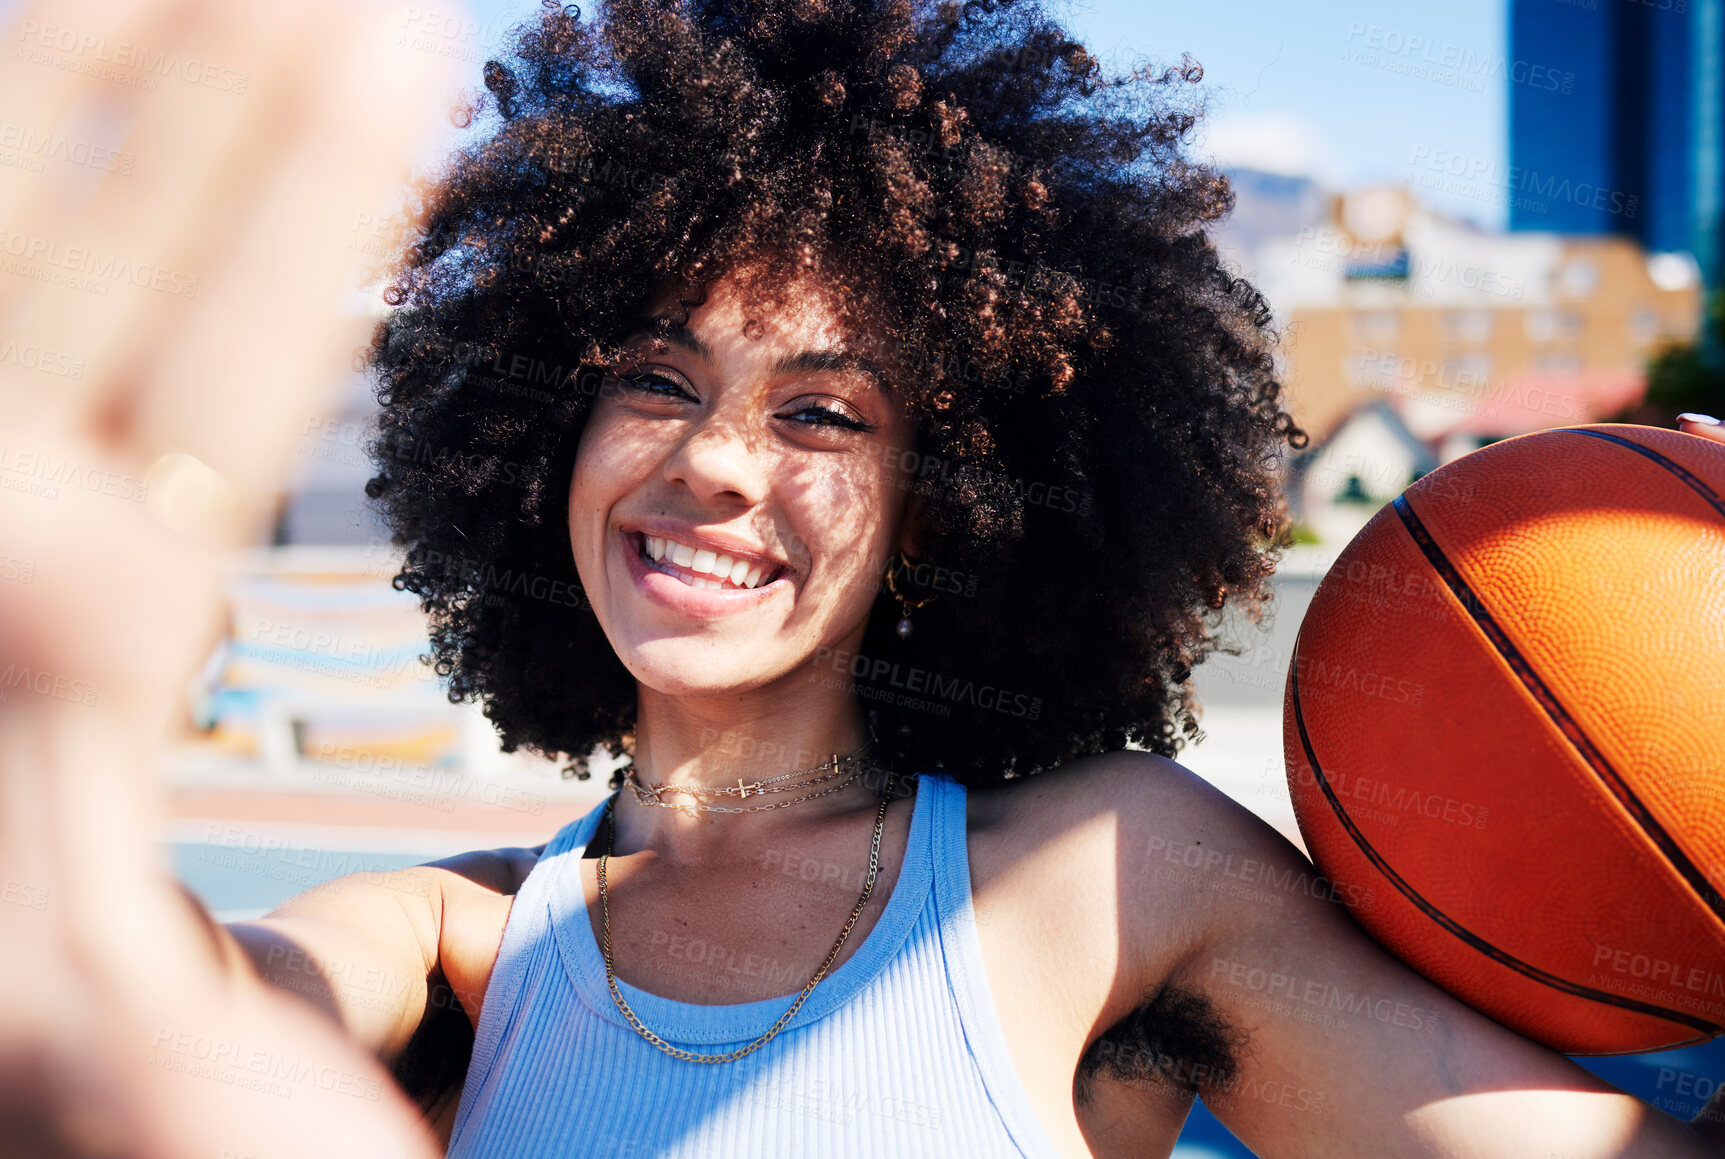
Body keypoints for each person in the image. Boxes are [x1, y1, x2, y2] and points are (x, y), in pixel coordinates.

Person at [2, 1, 1724, 1158]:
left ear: (944, 505)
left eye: (823, 410)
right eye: (656, 380)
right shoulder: (455, 946)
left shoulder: (1110, 878)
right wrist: (47, 778)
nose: (718, 461)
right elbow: (141, 1014)